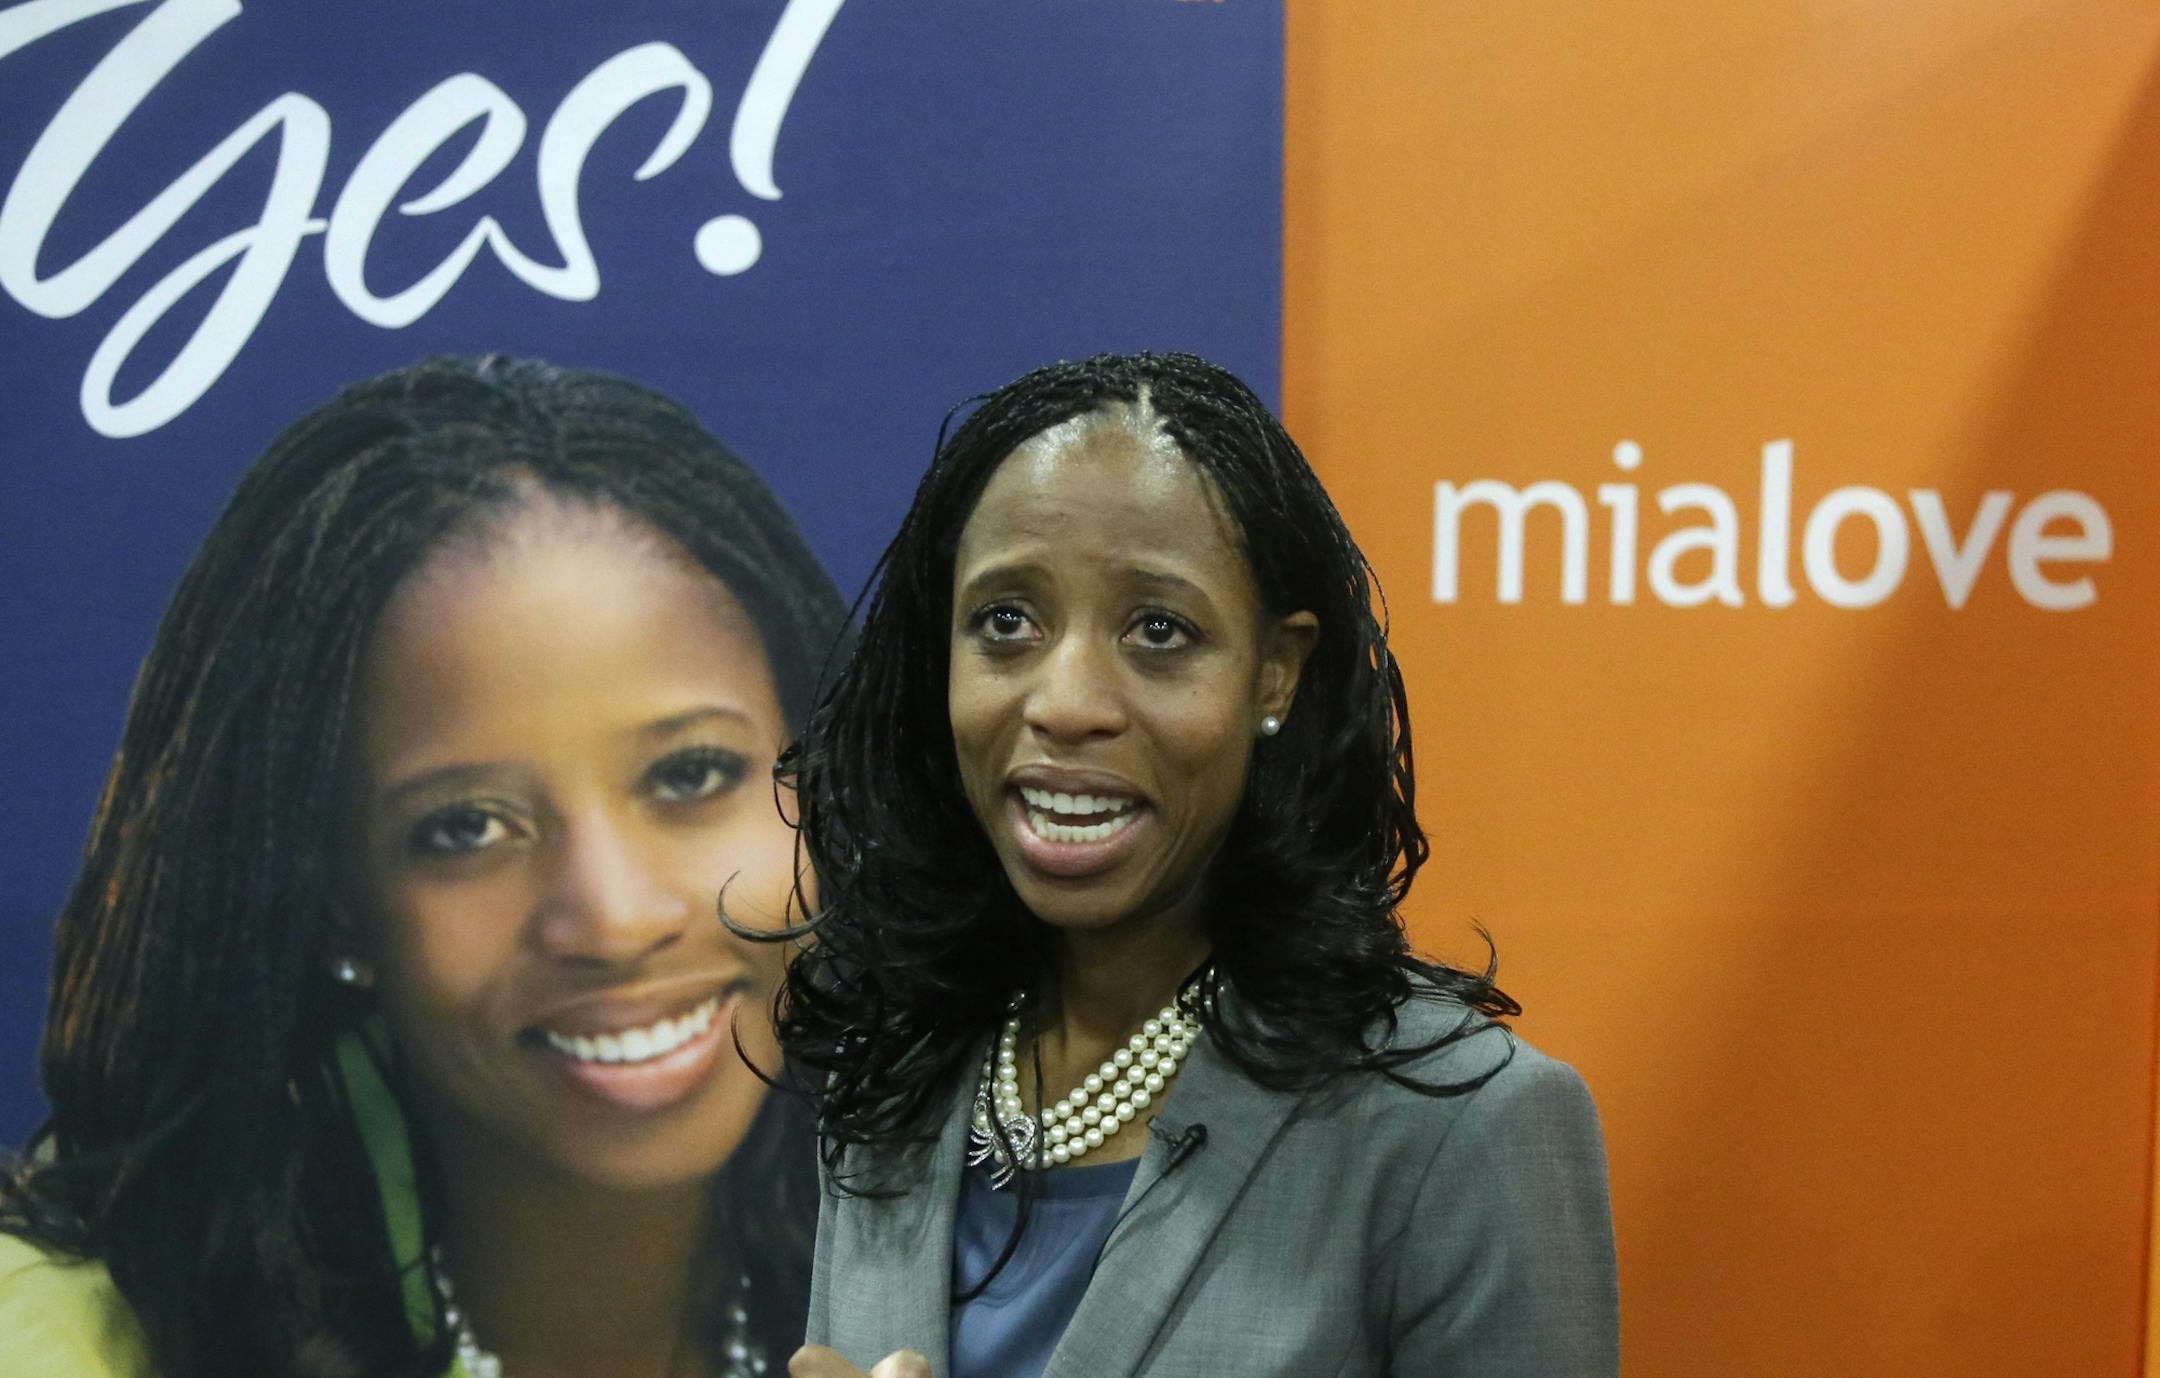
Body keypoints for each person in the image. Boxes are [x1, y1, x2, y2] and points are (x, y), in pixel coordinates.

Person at [772, 351, 1619, 1378]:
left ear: (1276, 671)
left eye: (1158, 630)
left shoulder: (1463, 1129)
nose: (1065, 700)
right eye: (1005, 623)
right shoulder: (891, 1084)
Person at [0, 357, 850, 1378]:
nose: (616, 915)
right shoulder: (55, 1346)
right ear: (333, 902)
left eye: (692, 773)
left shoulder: (1003, 1263)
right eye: (465, 829)